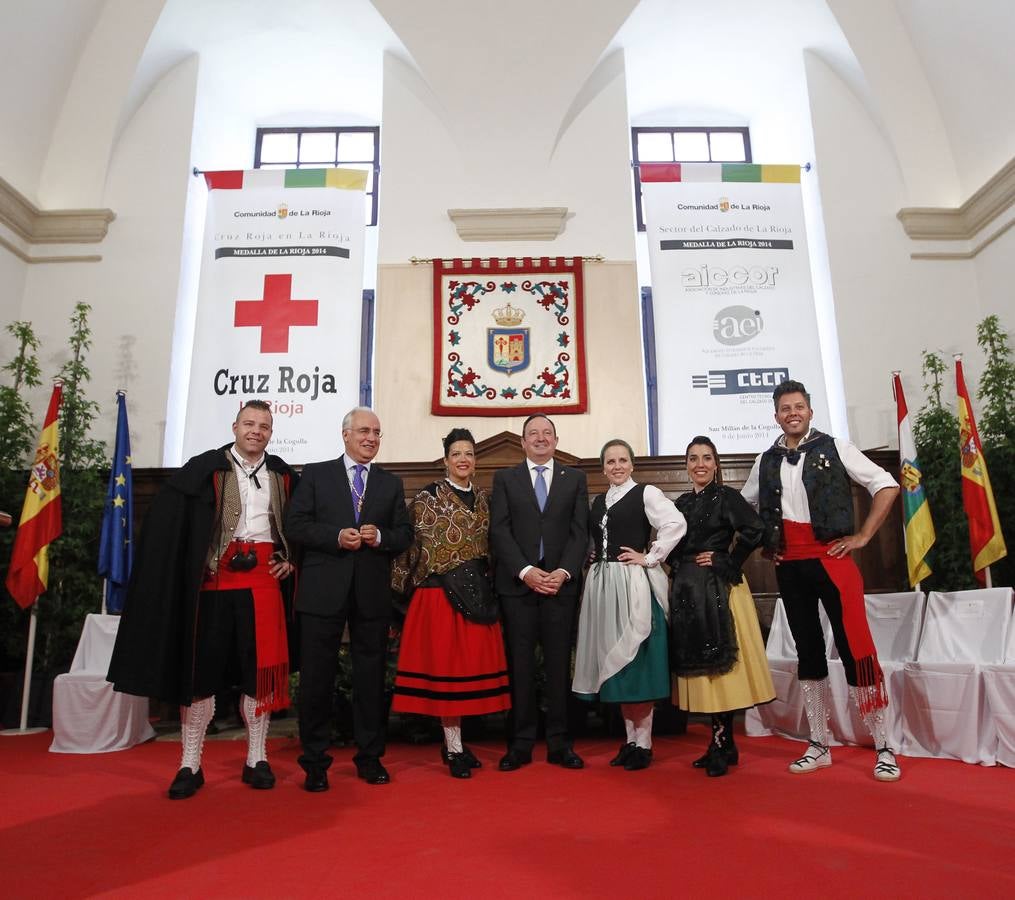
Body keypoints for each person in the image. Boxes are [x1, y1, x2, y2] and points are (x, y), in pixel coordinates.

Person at [108, 400, 297, 798]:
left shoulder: (282, 475)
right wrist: (192, 562)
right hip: (214, 580)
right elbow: (171, 523)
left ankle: (256, 758)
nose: (256, 431)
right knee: (201, 675)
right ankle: (189, 763)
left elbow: (301, 526)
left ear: (271, 432)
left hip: (264, 582)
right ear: (235, 427)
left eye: (264, 426)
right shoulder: (204, 469)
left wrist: (290, 558)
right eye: (249, 423)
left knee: (259, 673)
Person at [742, 380, 902, 782]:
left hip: (833, 561)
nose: (792, 413)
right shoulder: (766, 459)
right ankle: (819, 744)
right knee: (808, 652)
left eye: (798, 406)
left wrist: (863, 536)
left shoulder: (836, 447)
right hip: (790, 566)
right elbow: (744, 508)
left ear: (810, 411)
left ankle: (883, 745)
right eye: (785, 408)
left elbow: (886, 484)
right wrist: (765, 542)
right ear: (776, 416)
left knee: (855, 649)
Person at [285, 406, 414, 791]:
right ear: (346, 435)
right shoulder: (316, 474)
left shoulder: (390, 483)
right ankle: (314, 763)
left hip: (371, 594)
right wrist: (336, 537)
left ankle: (370, 758)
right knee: (316, 680)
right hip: (322, 592)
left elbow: (404, 534)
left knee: (371, 680)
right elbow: (296, 525)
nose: (371, 438)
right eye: (363, 431)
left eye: (376, 432)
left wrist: (381, 537)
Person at [390, 428, 511, 778]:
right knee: (447, 674)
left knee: (467, 674)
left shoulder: (485, 500)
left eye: (469, 454)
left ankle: (454, 744)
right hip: (438, 595)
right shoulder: (426, 498)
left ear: (475, 461)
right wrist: (397, 595)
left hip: (478, 595)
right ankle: (454, 748)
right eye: (456, 453)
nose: (463, 459)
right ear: (445, 460)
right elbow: (409, 550)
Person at [572, 439, 685, 770]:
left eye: (622, 460)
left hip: (632, 583)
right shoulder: (599, 500)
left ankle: (644, 743)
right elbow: (594, 537)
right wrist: (592, 553)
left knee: (636, 660)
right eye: (610, 461)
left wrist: (649, 557)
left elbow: (675, 523)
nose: (617, 466)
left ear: (632, 464)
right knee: (616, 664)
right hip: (604, 587)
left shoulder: (645, 493)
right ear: (603, 467)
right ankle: (630, 740)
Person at [669, 436, 775, 777]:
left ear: (716, 464)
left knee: (722, 671)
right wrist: (678, 564)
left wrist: (726, 559)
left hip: (719, 590)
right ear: (686, 465)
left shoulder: (727, 497)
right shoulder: (682, 503)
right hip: (689, 593)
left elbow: (755, 529)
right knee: (705, 671)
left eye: (706, 458)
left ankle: (721, 742)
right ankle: (724, 743)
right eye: (693, 458)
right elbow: (669, 543)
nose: (700, 464)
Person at [490, 413, 589, 771]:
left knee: (559, 667)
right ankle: (520, 743)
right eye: (533, 433)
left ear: (556, 440)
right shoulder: (505, 479)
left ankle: (560, 743)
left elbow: (581, 532)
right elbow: (499, 531)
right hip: (518, 588)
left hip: (560, 588)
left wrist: (563, 572)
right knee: (520, 667)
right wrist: (526, 571)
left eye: (547, 433)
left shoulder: (574, 478)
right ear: (523, 442)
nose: (541, 438)